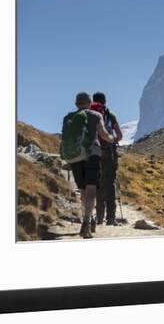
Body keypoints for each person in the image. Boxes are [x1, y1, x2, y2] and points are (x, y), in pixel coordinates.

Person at [61, 92, 114, 239]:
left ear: (76, 103)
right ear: (90, 102)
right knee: (91, 189)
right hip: (92, 154)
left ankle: (87, 217)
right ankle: (86, 222)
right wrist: (112, 139)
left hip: (75, 157)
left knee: (83, 190)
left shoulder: (69, 117)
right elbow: (103, 134)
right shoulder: (96, 115)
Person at [91, 92, 123, 226]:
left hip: (93, 151)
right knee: (110, 183)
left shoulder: (89, 114)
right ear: (105, 101)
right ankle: (110, 218)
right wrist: (112, 141)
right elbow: (120, 135)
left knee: (98, 183)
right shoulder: (109, 114)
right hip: (108, 151)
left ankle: (98, 218)